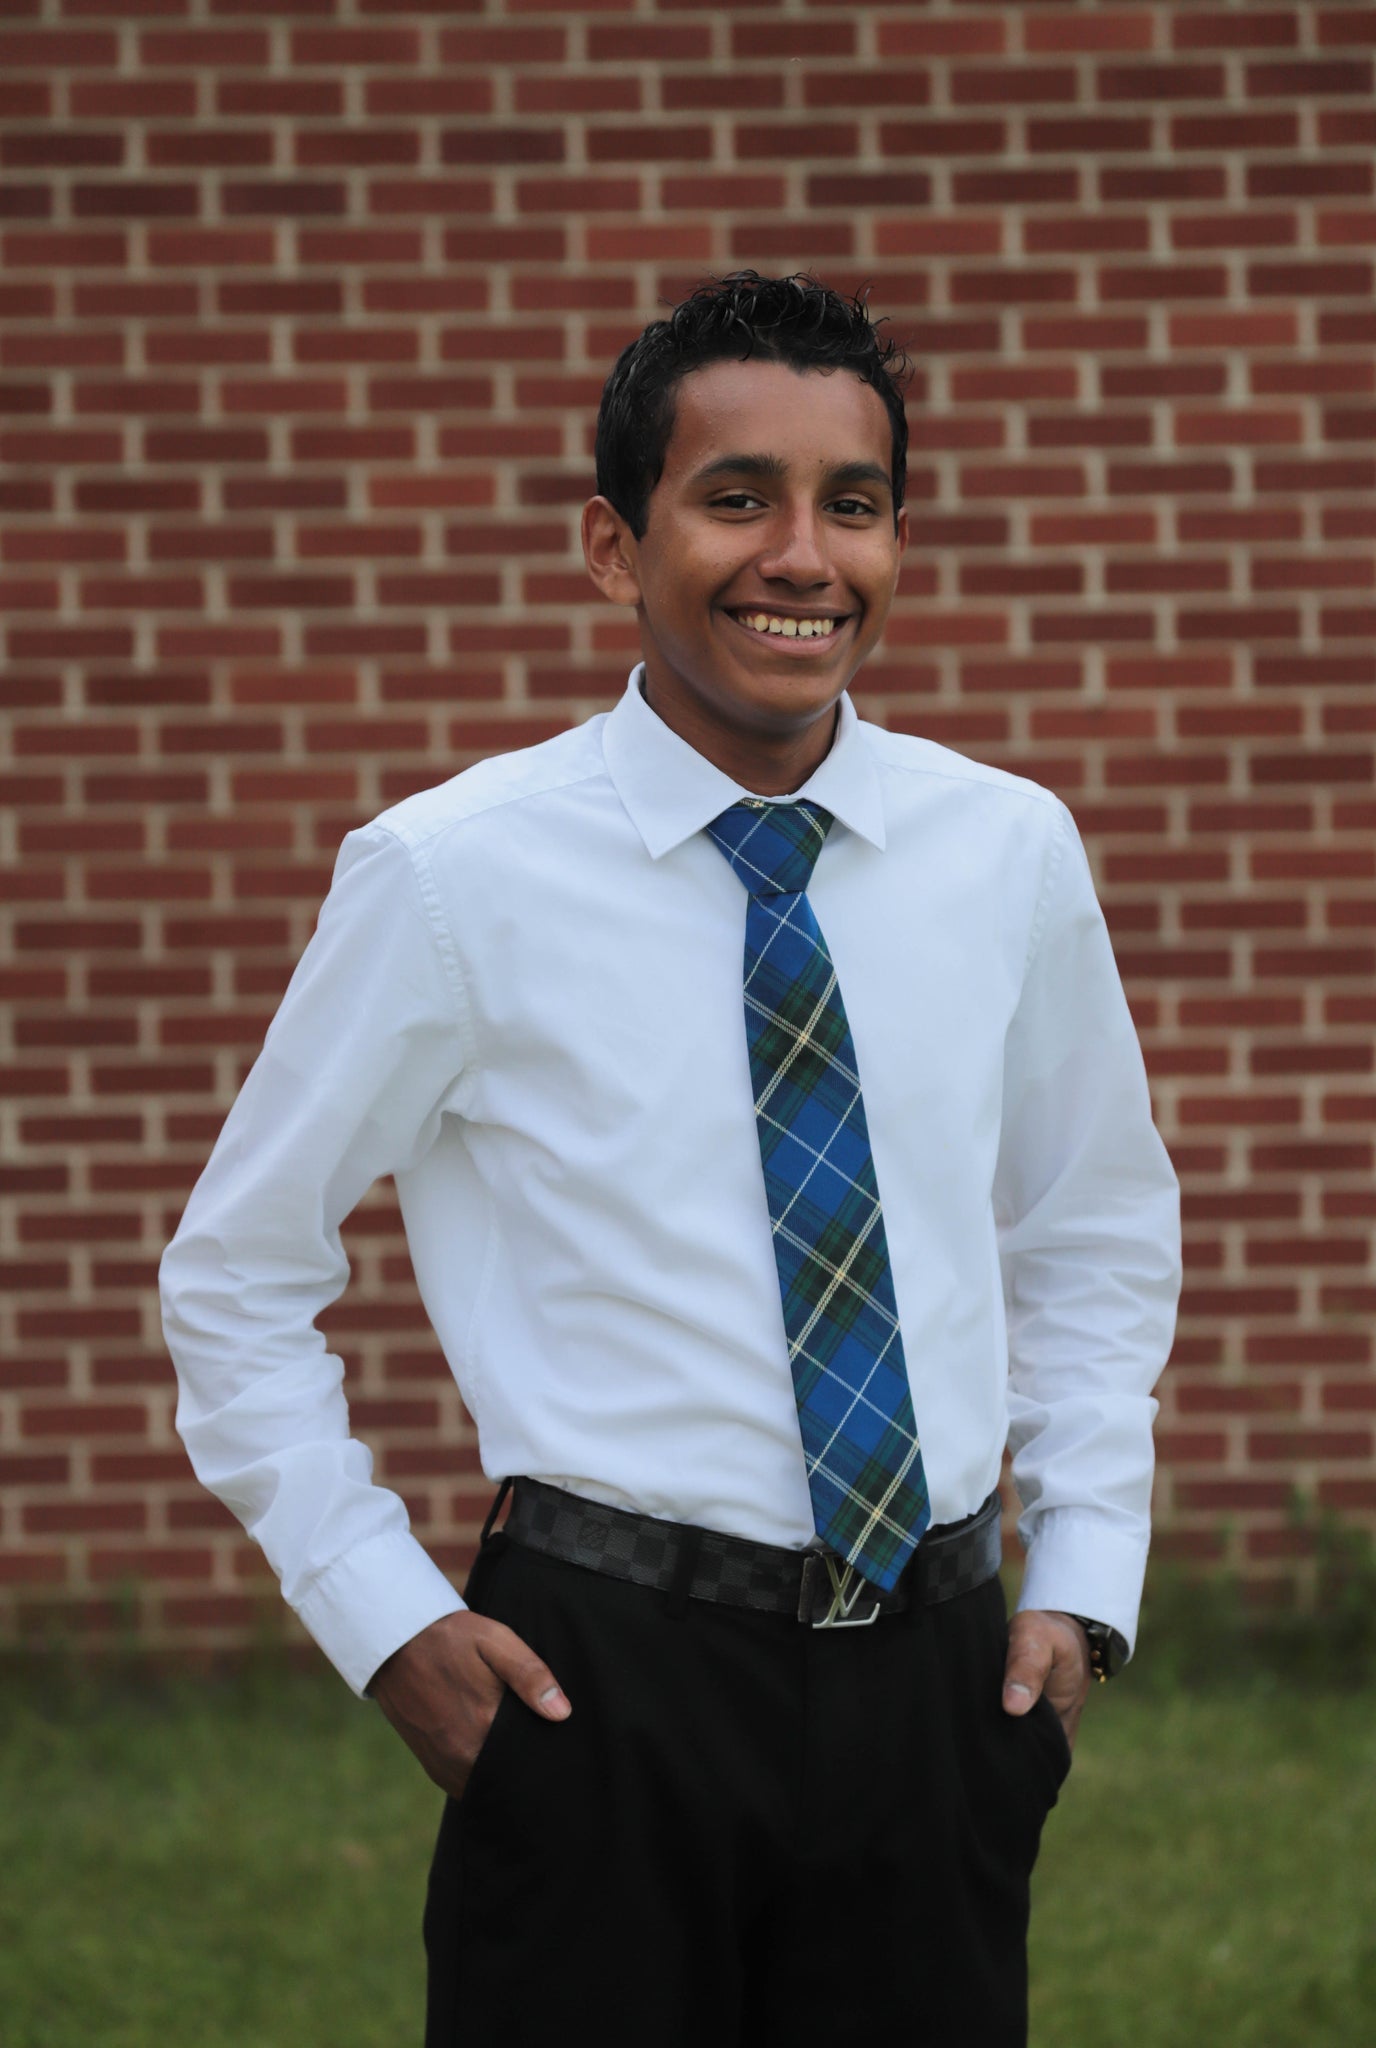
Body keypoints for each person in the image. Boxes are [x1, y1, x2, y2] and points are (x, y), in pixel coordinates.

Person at [161, 270, 1181, 2046]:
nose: (803, 556)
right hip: (602, 1688)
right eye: (736, 498)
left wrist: (1086, 1576)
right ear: (613, 548)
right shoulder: (451, 877)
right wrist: (382, 1617)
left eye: (851, 504)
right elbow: (237, 1278)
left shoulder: (1008, 852)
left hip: (936, 1687)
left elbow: (1090, 1225)